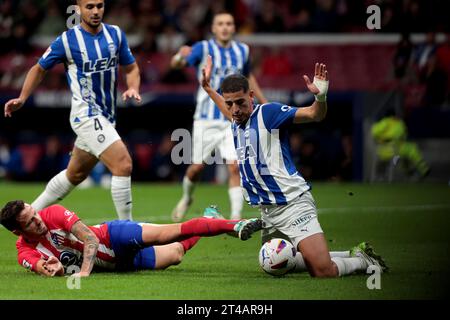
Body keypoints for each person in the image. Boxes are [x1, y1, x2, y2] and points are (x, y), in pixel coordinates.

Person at [201, 56, 388, 277]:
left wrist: (321, 96)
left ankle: (362, 262)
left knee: (322, 271)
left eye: (240, 102)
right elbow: (226, 108)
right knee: (276, 263)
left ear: (251, 96)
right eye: (229, 103)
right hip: (268, 211)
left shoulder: (268, 114)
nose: (234, 109)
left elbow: (314, 114)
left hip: (292, 204)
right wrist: (207, 88)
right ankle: (348, 253)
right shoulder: (236, 119)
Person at [4, 0, 141, 220]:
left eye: (100, 5)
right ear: (78, 9)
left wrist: (133, 86)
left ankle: (27, 216)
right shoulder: (67, 41)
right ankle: (128, 230)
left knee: (74, 174)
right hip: (85, 114)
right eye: (89, 7)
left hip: (108, 116)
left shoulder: (115, 34)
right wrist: (22, 97)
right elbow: (39, 68)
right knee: (123, 163)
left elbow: (132, 67)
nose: (95, 11)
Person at [170, 12, 267, 222]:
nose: (225, 27)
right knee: (197, 168)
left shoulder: (243, 50)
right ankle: (187, 197)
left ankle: (235, 217)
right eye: (220, 24)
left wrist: (263, 101)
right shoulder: (203, 48)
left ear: (234, 28)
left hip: (233, 118)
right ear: (213, 28)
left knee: (235, 166)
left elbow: (248, 77)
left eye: (229, 23)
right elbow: (176, 64)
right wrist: (179, 56)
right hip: (206, 118)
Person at [0, 200, 263, 277]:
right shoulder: (25, 251)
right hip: (121, 264)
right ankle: (208, 218)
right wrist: (52, 270)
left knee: (170, 232)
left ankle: (234, 224)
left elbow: (90, 238)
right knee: (176, 255)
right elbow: (38, 266)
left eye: (35, 213)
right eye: (30, 222)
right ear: (17, 231)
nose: (39, 220)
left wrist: (82, 272)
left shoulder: (54, 214)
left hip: (114, 237)